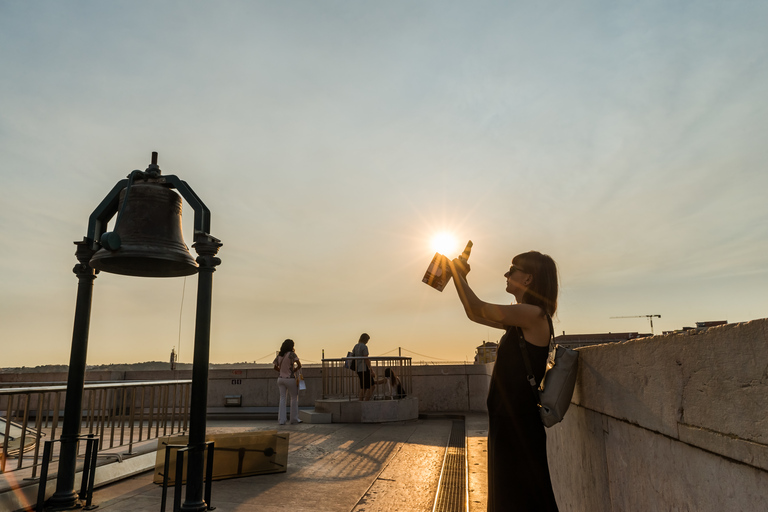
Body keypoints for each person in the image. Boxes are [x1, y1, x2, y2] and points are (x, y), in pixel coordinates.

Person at [448, 250, 560, 512]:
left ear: (528, 279)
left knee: (520, 497)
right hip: (508, 422)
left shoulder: (533, 315)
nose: (507, 274)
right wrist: (460, 278)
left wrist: (455, 272)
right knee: (509, 495)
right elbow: (475, 314)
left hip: (519, 424)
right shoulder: (520, 316)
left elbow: (476, 308)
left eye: (513, 269)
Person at [272, 339, 302, 425]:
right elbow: (299, 365)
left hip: (280, 379)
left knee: (282, 398)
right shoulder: (292, 354)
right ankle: (294, 419)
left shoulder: (279, 355)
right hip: (290, 378)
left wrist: (282, 371)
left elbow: (275, 367)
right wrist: (293, 370)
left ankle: (282, 420)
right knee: (293, 398)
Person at [352, 333, 375, 401]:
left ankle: (361, 401)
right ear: (365, 339)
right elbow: (366, 359)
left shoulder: (356, 346)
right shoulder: (364, 347)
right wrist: (371, 369)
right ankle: (366, 401)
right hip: (364, 368)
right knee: (372, 386)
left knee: (363, 387)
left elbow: (353, 356)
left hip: (358, 369)